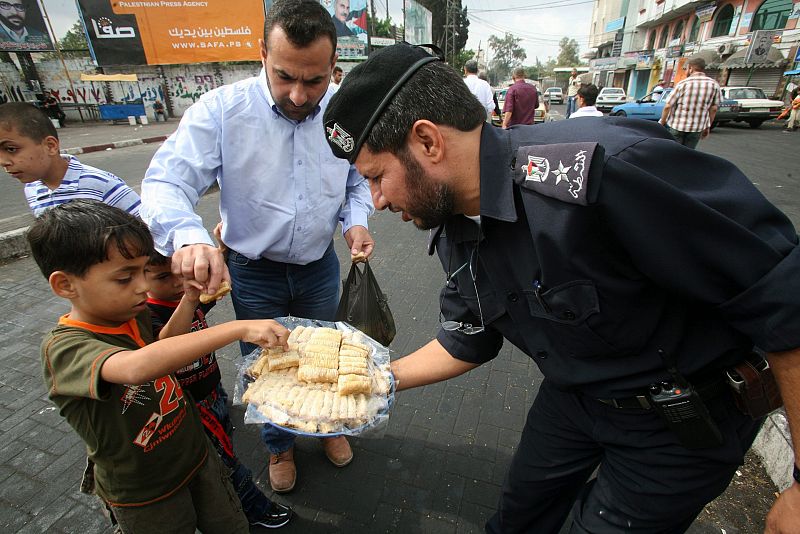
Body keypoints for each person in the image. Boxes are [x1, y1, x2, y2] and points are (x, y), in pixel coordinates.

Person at [323, 42, 800, 534]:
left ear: (427, 142)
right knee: (517, 518)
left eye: (377, 177)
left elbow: (782, 295)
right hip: (574, 398)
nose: (376, 201)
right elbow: (469, 337)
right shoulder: (455, 228)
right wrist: (375, 380)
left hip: (678, 425)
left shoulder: (604, 170)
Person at [140, 0, 374, 494]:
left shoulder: (345, 114)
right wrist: (189, 237)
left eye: (315, 82)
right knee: (266, 366)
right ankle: (279, 445)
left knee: (326, 354)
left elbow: (357, 181)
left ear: (334, 69)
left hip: (318, 266)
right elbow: (165, 182)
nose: (298, 94)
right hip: (253, 270)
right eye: (285, 75)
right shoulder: (222, 112)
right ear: (262, 54)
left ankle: (327, 426)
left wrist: (355, 221)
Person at [28, 199, 291, 533]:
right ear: (65, 285)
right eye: (125, 278)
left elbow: (163, 343)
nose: (142, 286)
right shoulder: (65, 348)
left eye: (142, 271)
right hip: (145, 491)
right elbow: (138, 367)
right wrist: (238, 328)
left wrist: (190, 299)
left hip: (195, 456)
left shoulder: (130, 313)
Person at [145, 253, 293, 529]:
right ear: (140, 280)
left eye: (180, 272)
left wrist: (222, 250)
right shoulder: (150, 312)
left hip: (213, 392)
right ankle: (255, 509)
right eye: (163, 277)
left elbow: (214, 288)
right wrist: (188, 300)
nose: (177, 283)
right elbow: (166, 345)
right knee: (226, 465)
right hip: (190, 409)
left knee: (225, 442)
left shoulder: (186, 296)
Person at [0, 102, 140, 217]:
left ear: (50, 146)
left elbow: (148, 229)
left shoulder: (100, 184)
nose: (3, 161)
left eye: (11, 149)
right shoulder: (32, 190)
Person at [659, 57, 720, 149]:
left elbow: (668, 106)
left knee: (674, 152)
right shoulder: (714, 84)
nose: (686, 71)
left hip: (677, 126)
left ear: (691, 68)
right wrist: (708, 126)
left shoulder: (683, 84)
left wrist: (662, 122)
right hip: (697, 128)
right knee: (688, 153)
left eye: (686, 69)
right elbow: (714, 109)